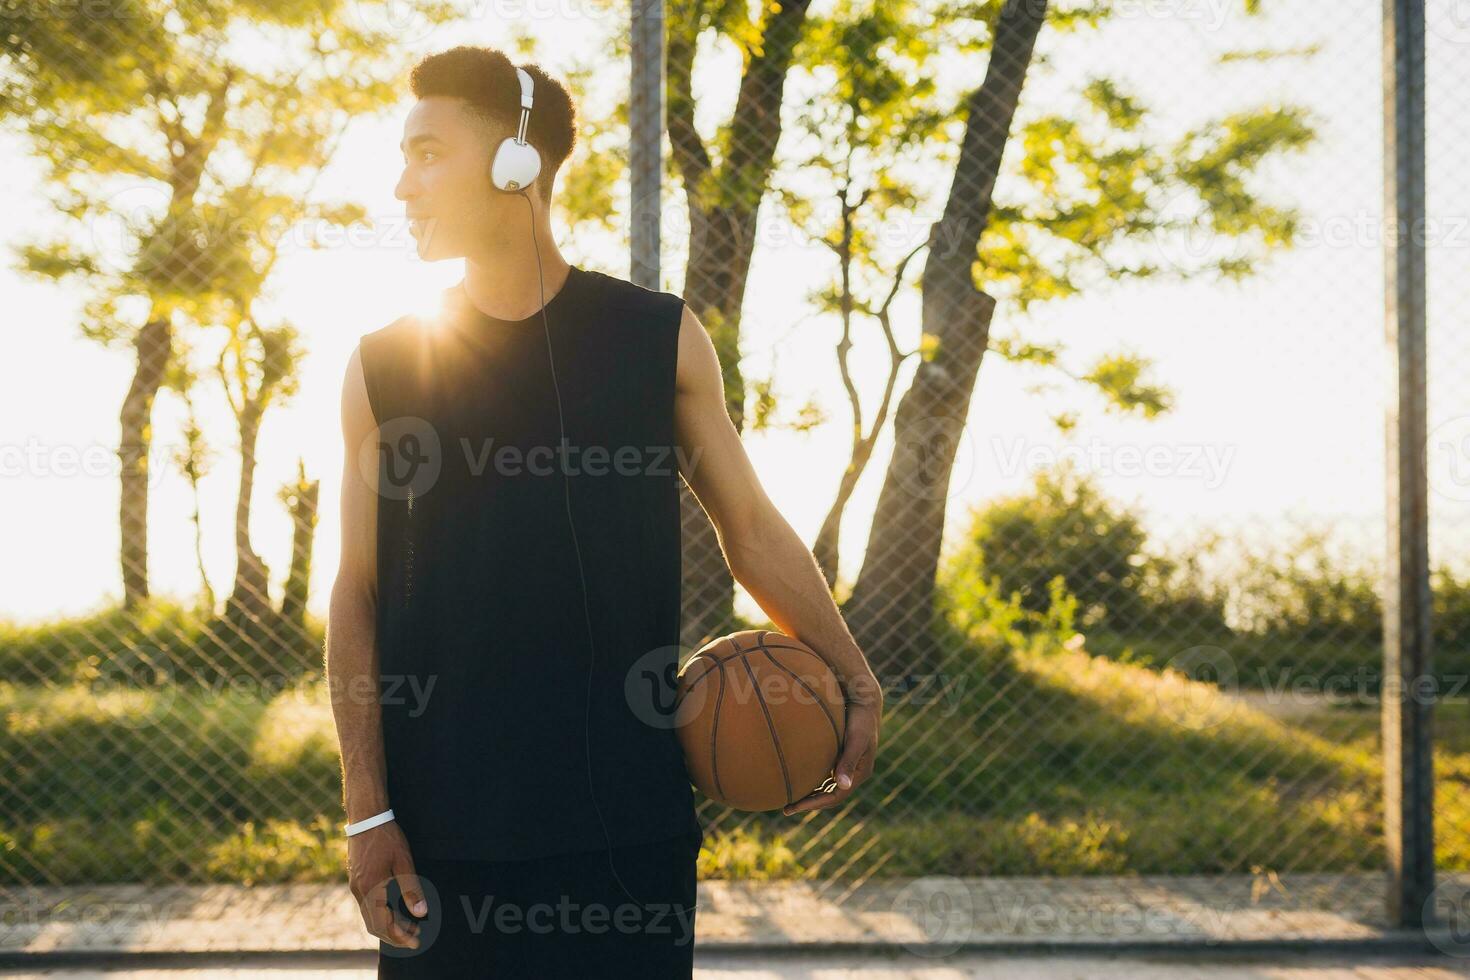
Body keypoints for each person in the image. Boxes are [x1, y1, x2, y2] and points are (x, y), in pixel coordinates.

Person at [326, 44, 883, 977]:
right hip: (446, 839)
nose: (401, 186)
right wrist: (368, 811)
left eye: (428, 154)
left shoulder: (655, 339)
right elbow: (358, 594)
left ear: (517, 160)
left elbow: (750, 528)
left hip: (627, 838)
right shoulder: (384, 366)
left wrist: (855, 680)